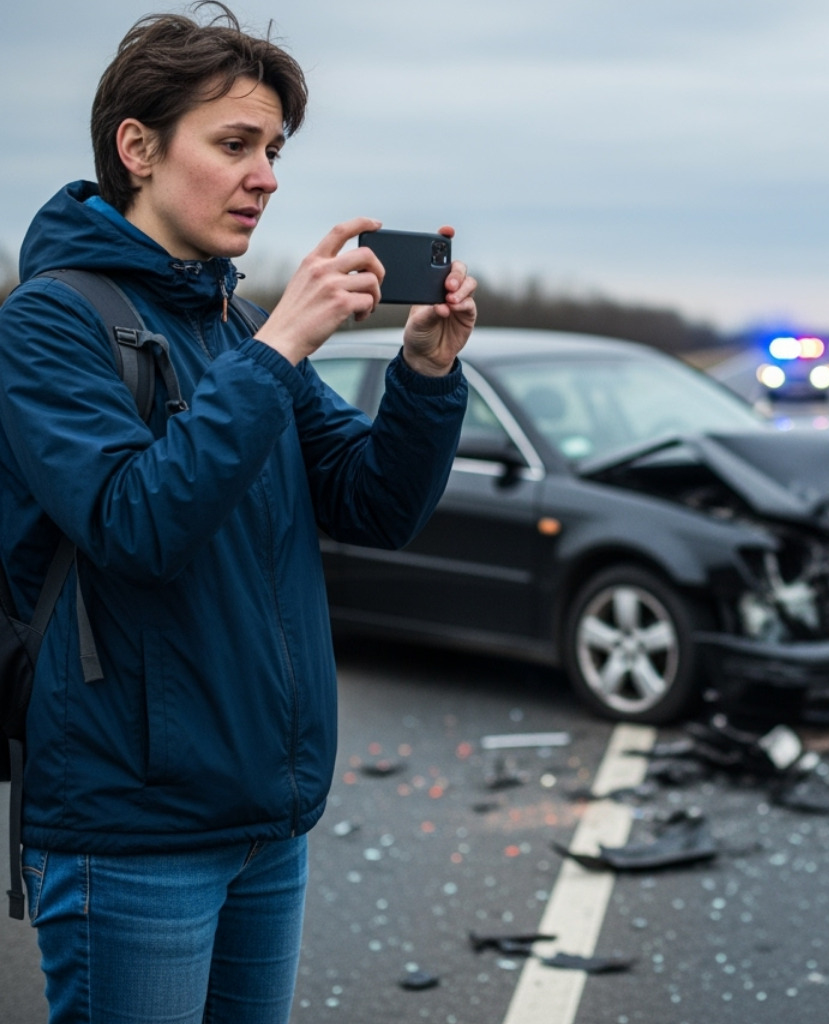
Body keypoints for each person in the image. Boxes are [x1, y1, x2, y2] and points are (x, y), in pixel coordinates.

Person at [0, 5, 474, 1021]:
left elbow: (374, 500)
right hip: (133, 830)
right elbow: (135, 523)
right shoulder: (49, 321)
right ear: (138, 148)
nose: (267, 175)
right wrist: (279, 349)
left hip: (269, 818)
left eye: (273, 149)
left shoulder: (232, 324)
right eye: (234, 145)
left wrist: (426, 376)